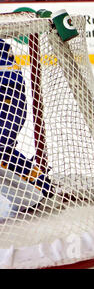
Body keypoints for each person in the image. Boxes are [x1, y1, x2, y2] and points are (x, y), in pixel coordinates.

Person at [0, 39, 54, 218]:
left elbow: (11, 85)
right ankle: (38, 182)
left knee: (2, 150)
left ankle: (39, 184)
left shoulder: (4, 64)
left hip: (9, 106)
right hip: (9, 103)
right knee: (4, 152)